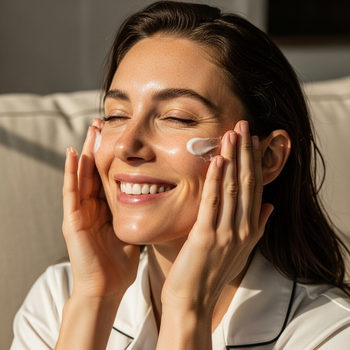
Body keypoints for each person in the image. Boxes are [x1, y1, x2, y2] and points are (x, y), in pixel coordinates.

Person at [10, 1, 350, 349]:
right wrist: (95, 299)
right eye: (116, 115)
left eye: (178, 118)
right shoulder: (60, 299)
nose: (127, 144)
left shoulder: (330, 334)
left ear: (267, 158)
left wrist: (187, 308)